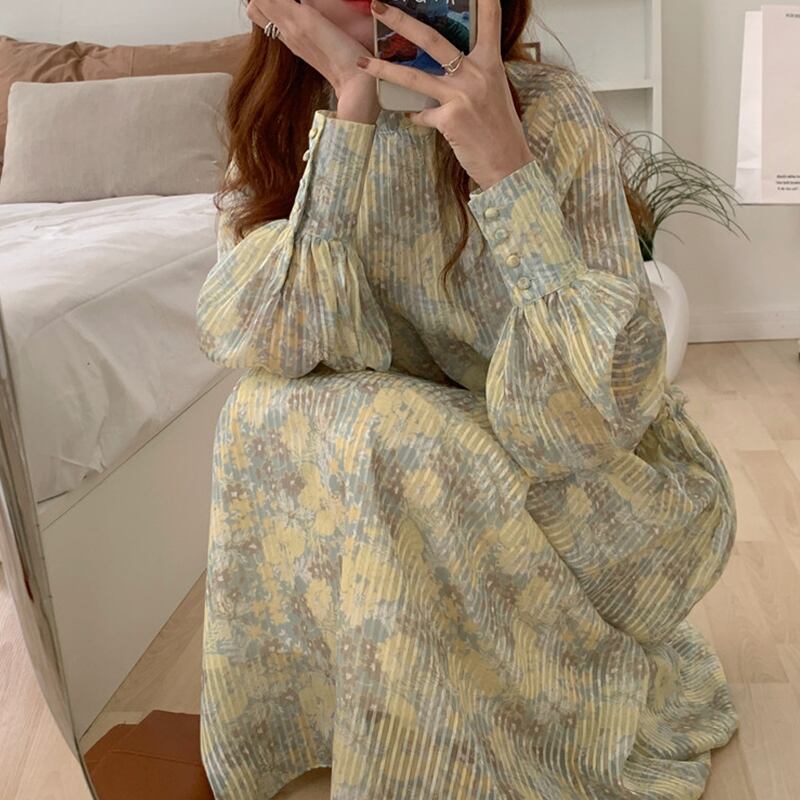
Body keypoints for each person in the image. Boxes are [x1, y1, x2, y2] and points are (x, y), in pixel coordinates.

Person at [195, 0, 740, 798]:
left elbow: (590, 420)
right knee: (261, 410)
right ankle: (365, 717)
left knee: (391, 434)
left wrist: (507, 171)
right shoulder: (280, 114)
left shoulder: (544, 107)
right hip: (408, 470)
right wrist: (349, 113)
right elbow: (270, 345)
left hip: (586, 486)